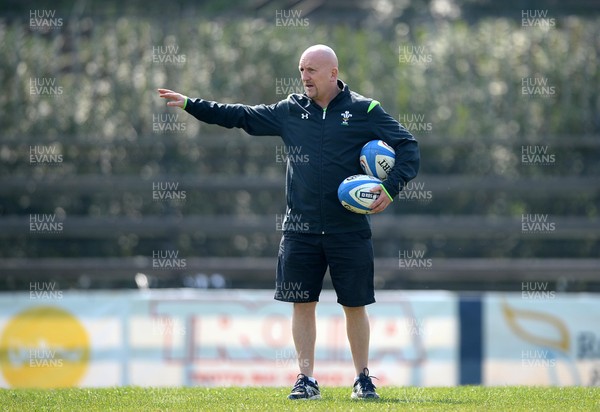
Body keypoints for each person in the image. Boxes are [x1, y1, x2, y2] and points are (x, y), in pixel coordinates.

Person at [158, 44, 419, 400]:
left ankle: (362, 378)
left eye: (311, 70)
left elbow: (408, 145)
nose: (304, 77)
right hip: (301, 229)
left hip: (349, 230)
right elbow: (240, 115)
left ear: (333, 73)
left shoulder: (365, 110)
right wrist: (192, 103)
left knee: (355, 305)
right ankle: (306, 379)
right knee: (303, 303)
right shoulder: (290, 110)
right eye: (301, 70)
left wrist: (390, 188)